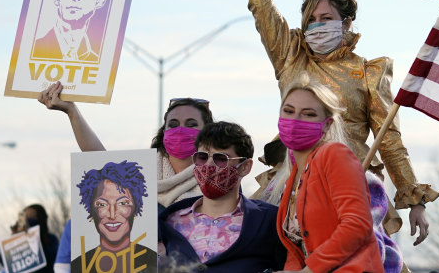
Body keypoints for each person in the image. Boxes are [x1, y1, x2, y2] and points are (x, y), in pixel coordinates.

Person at [231, 0, 439, 243]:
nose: (316, 25)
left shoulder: (367, 72)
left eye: (325, 18)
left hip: (350, 186)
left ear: (346, 23)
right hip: (292, 181)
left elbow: (389, 140)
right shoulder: (290, 56)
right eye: (310, 19)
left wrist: (413, 198)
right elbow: (262, 7)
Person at [274, 73, 389, 272]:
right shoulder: (292, 178)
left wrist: (310, 270)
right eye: (289, 111)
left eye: (308, 114)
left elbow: (357, 224)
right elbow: (295, 251)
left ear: (327, 125)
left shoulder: (334, 154)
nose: (295, 120)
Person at [39, 82, 212, 207]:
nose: (180, 130)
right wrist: (71, 111)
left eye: (191, 124)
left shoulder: (219, 178)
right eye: (173, 125)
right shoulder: (142, 172)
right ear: (164, 131)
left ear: (208, 132)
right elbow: (100, 160)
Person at [158, 121, 286, 272]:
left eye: (221, 158)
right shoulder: (168, 222)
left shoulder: (269, 222)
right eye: (202, 157)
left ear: (244, 167)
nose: (209, 165)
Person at [71, 160, 157, 272]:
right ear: (91, 210)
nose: (112, 214)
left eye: (123, 203)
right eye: (102, 204)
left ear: (136, 207)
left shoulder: (153, 262)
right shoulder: (78, 266)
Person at [9, 204, 59, 273]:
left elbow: (49, 260)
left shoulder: (51, 239)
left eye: (32, 216)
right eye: (25, 217)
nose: (28, 220)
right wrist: (15, 238)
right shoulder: (17, 241)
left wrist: (31, 236)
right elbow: (5, 261)